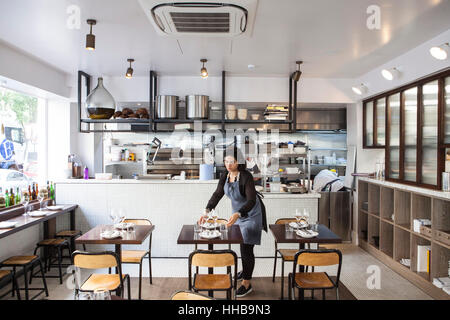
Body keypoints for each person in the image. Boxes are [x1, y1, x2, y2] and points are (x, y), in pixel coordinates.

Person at [201, 146, 267, 297]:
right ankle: (246, 269)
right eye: (226, 161)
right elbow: (218, 194)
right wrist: (206, 210)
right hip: (237, 214)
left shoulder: (246, 176)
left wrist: (238, 213)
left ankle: (247, 282)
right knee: (241, 243)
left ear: (239, 162)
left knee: (246, 247)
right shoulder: (225, 175)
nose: (228, 165)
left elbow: (251, 200)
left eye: (232, 161)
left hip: (251, 214)